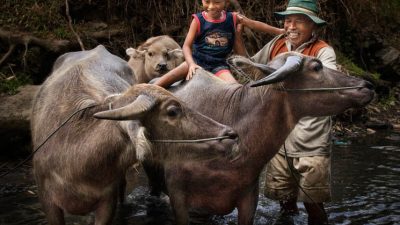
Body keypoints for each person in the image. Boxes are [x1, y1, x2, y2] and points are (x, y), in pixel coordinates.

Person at [239, 0, 336, 224]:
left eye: (299, 21)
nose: (291, 26)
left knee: (313, 203)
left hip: (310, 141)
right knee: (285, 201)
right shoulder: (277, 44)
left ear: (313, 26)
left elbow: (326, 85)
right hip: (279, 139)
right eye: (288, 21)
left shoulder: (323, 51)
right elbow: (251, 68)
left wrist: (288, 67)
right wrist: (237, 36)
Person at [154, 0, 282, 88]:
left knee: (234, 88)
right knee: (164, 81)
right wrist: (191, 64)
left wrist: (278, 31)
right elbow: (186, 46)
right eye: (207, 1)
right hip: (197, 61)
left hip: (219, 65)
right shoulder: (198, 20)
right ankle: (144, 93)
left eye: (217, 2)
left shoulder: (232, 18)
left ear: (226, 2)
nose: (210, 6)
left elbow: (254, 24)